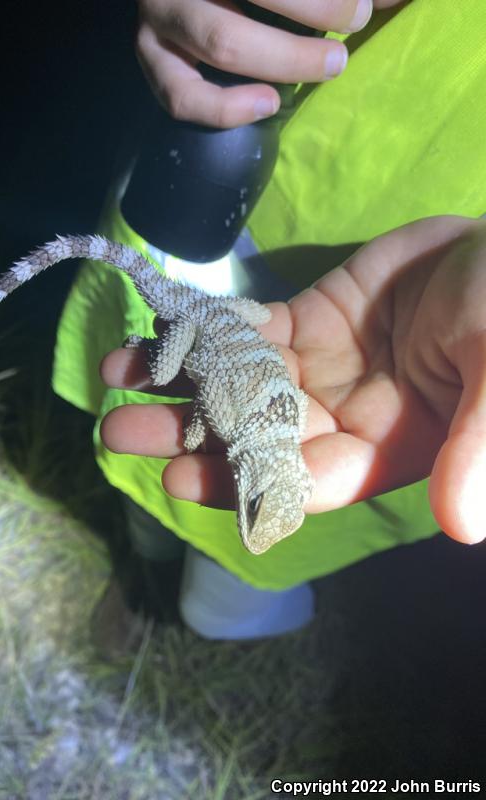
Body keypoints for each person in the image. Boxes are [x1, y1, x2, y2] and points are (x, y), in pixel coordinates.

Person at [53, 0, 486, 640]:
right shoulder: (262, 427)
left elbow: (211, 411)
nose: (255, 505)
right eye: (258, 503)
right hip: (218, 179)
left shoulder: (281, 424)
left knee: (191, 475)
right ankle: (146, 555)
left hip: (293, 310)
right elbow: (203, 411)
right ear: (267, 478)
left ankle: (189, 583)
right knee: (144, 394)